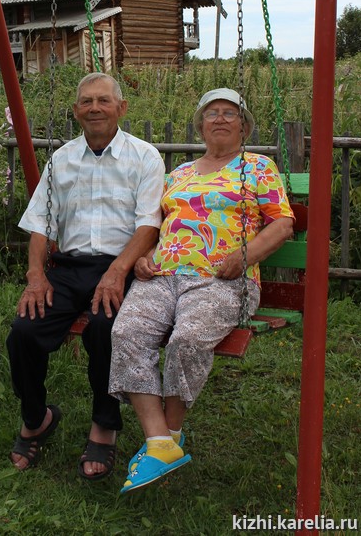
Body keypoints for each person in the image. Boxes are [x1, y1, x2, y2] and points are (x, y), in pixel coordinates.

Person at [109, 87, 294, 494]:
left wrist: (244, 257)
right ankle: (160, 441)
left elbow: (281, 224)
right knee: (126, 333)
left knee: (188, 338)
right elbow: (158, 228)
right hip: (163, 275)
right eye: (212, 113)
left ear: (244, 126)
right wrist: (145, 257)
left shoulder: (258, 167)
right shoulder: (178, 175)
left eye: (231, 113)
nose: (221, 119)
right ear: (201, 125)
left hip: (223, 279)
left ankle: (168, 437)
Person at [7, 72, 165, 480]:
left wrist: (117, 270)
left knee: (105, 330)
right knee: (23, 333)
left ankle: (105, 424)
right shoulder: (62, 159)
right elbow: (41, 221)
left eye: (104, 100)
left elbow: (149, 225)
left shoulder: (145, 156)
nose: (95, 107)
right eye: (87, 102)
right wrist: (36, 274)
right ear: (76, 111)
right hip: (68, 269)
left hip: (121, 266)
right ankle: (36, 416)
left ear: (121, 108)